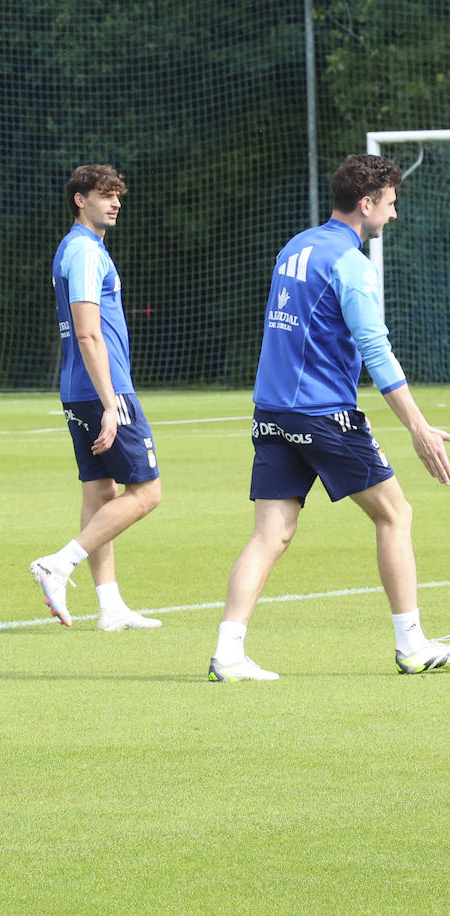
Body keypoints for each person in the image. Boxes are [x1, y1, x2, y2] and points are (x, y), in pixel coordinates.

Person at [208, 153, 450, 681]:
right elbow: (375, 350)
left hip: (271, 413)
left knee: (271, 533)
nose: (393, 215)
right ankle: (411, 645)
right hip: (322, 415)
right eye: (390, 204)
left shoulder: (295, 246)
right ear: (366, 203)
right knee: (395, 514)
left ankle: (227, 653)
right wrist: (419, 428)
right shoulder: (351, 263)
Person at [30, 164, 163, 631]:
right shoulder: (85, 252)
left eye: (118, 196)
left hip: (77, 389)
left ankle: (109, 605)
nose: (115, 203)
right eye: (105, 195)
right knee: (147, 492)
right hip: (102, 389)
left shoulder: (75, 249)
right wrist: (111, 403)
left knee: (101, 491)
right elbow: (88, 333)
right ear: (79, 199)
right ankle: (58, 564)